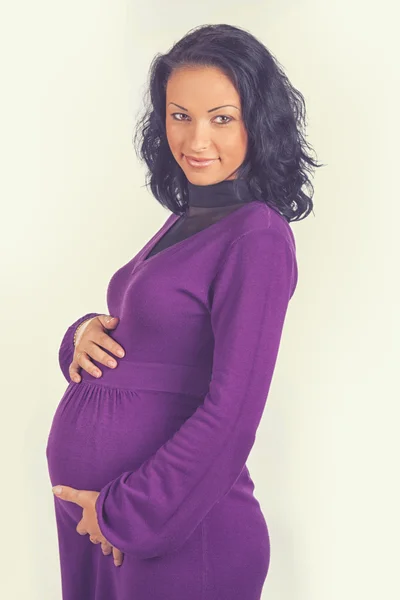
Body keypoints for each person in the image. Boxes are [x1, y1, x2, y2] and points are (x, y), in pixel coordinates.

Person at [46, 23, 321, 600]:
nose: (196, 139)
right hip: (108, 529)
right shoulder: (190, 219)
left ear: (258, 121)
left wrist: (126, 514)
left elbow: (234, 413)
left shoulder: (257, 236)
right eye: (179, 116)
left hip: (174, 537)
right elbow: (151, 343)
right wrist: (79, 336)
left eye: (221, 117)